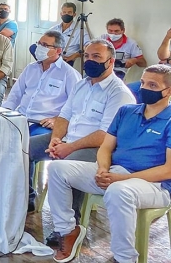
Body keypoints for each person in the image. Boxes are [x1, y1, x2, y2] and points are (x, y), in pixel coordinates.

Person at [45, 64, 171, 263]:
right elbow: (106, 147)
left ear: (168, 90)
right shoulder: (126, 112)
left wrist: (122, 178)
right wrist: (103, 170)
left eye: (153, 85)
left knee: (119, 190)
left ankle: (125, 258)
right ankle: (67, 230)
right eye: (143, 83)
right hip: (114, 173)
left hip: (154, 185)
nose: (145, 88)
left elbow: (168, 170)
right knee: (58, 169)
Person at [28, 39, 135, 220]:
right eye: (87, 56)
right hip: (68, 139)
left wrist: (69, 147)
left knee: (67, 165)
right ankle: (26, 199)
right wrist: (56, 139)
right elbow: (64, 116)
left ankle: (70, 223)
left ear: (110, 61)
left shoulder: (119, 93)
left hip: (96, 148)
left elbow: (105, 135)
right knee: (23, 148)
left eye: (96, 56)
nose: (89, 60)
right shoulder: (82, 84)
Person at [3, 31, 81, 138]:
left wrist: (57, 120)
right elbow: (15, 95)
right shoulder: (31, 68)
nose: (39, 47)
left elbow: (76, 106)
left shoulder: (69, 74)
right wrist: (4, 113)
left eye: (44, 45)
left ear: (58, 50)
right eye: (39, 43)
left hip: (43, 124)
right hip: (21, 119)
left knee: (29, 146)